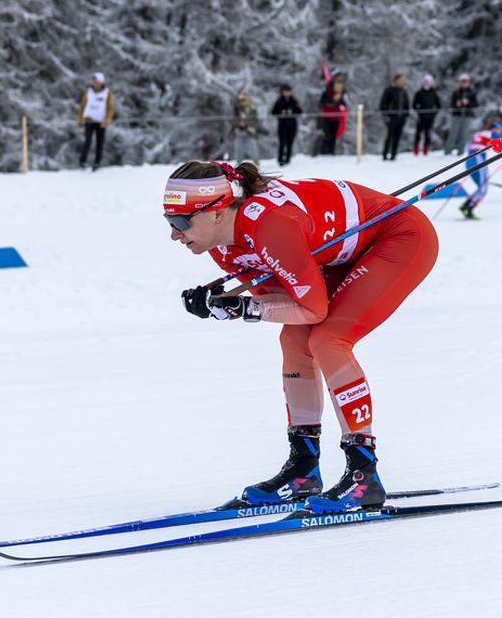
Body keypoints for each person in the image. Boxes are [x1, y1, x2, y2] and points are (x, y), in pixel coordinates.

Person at [168, 160, 439, 514]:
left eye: (180, 223)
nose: (174, 235)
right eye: (169, 222)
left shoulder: (269, 227)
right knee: (295, 341)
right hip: (344, 252)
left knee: (328, 339)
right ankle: (303, 469)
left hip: (397, 238)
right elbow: (283, 299)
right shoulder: (223, 244)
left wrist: (241, 309)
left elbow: (311, 309)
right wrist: (228, 304)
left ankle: (363, 475)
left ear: (217, 212)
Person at [457, 119, 502, 220]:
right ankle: (469, 208)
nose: (500, 131)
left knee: (481, 187)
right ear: (494, 128)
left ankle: (466, 205)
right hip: (478, 161)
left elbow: (467, 148)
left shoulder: (478, 134)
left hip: (469, 161)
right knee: (483, 188)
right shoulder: (493, 134)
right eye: (499, 129)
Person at [77, 72, 114, 170]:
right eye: (94, 81)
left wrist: (106, 121)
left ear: (101, 82)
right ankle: (82, 162)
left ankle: (97, 163)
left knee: (99, 143)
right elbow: (82, 106)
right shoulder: (88, 91)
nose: (95, 83)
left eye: (97, 81)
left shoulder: (107, 92)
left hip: (101, 122)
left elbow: (110, 108)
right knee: (87, 141)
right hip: (89, 120)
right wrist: (79, 120)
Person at [378, 74, 410, 161]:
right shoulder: (389, 90)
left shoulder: (403, 91)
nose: (403, 82)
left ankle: (394, 155)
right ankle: (385, 155)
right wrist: (386, 115)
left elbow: (406, 104)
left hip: (401, 118)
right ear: (396, 80)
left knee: (397, 137)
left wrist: (406, 115)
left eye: (403, 80)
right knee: (389, 137)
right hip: (391, 118)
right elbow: (383, 104)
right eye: (401, 80)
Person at [443, 74, 477, 154]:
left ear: (468, 82)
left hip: (468, 116)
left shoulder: (472, 92)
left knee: (464, 134)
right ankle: (448, 151)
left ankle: (461, 151)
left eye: (465, 81)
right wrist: (456, 104)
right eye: (462, 81)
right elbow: (451, 104)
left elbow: (475, 104)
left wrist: (468, 103)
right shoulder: (456, 93)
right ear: (460, 82)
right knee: (453, 134)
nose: (464, 83)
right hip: (456, 115)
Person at [270, 84, 303, 166]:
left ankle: (288, 160)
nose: (287, 93)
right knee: (282, 143)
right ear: (282, 92)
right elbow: (273, 112)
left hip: (292, 125)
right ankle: (281, 160)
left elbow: (300, 111)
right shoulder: (279, 101)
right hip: (282, 126)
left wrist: (292, 111)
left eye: (288, 91)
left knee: (290, 143)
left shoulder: (294, 101)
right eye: (285, 91)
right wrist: (281, 112)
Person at [317, 72, 348, 155]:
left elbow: (344, 105)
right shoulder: (326, 92)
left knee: (334, 136)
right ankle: (323, 153)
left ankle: (331, 153)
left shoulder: (341, 94)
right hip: (326, 117)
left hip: (336, 117)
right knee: (327, 135)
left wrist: (339, 100)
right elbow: (321, 103)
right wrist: (332, 100)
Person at [230, 89, 264, 163]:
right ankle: (238, 168)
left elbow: (256, 121)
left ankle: (257, 167)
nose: (242, 101)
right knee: (238, 154)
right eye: (241, 99)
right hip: (239, 133)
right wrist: (239, 123)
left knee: (254, 153)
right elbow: (231, 120)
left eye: (244, 99)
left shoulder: (252, 109)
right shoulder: (235, 109)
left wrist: (249, 126)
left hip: (249, 133)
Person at [411, 75, 441, 155]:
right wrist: (419, 111)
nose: (427, 83)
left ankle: (425, 150)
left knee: (428, 134)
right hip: (421, 117)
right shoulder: (419, 92)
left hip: (430, 117)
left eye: (429, 82)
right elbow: (414, 105)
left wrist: (433, 113)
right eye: (426, 82)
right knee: (418, 133)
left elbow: (438, 105)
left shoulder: (433, 93)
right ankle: (416, 150)